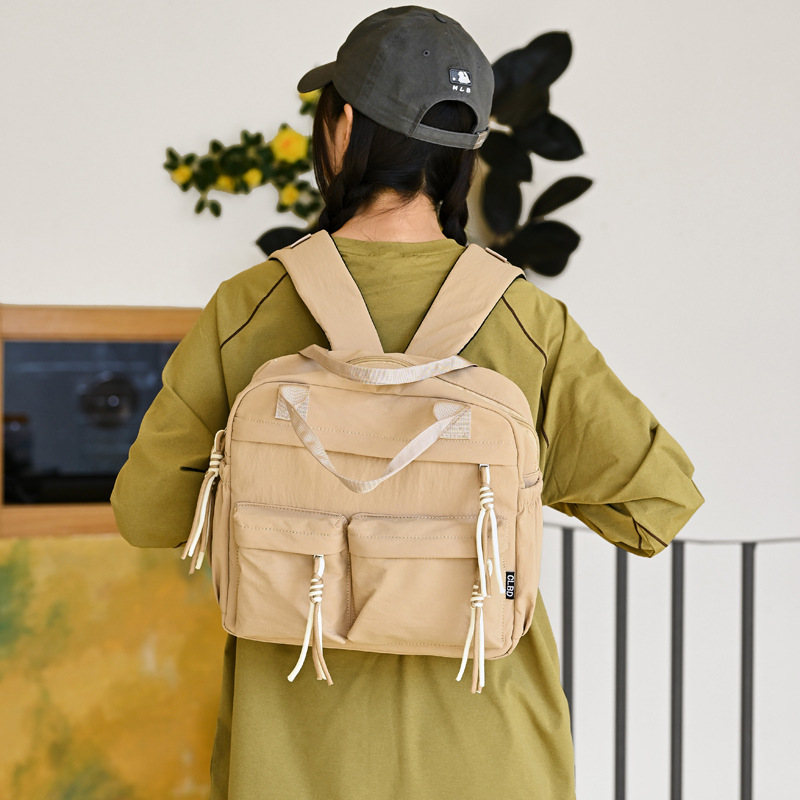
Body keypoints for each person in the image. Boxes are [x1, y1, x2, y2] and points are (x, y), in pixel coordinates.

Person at [111, 6, 704, 799]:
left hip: (292, 767)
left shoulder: (248, 307)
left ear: (341, 129)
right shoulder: (526, 321)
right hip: (492, 766)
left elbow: (146, 513)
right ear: (465, 156)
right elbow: (656, 505)